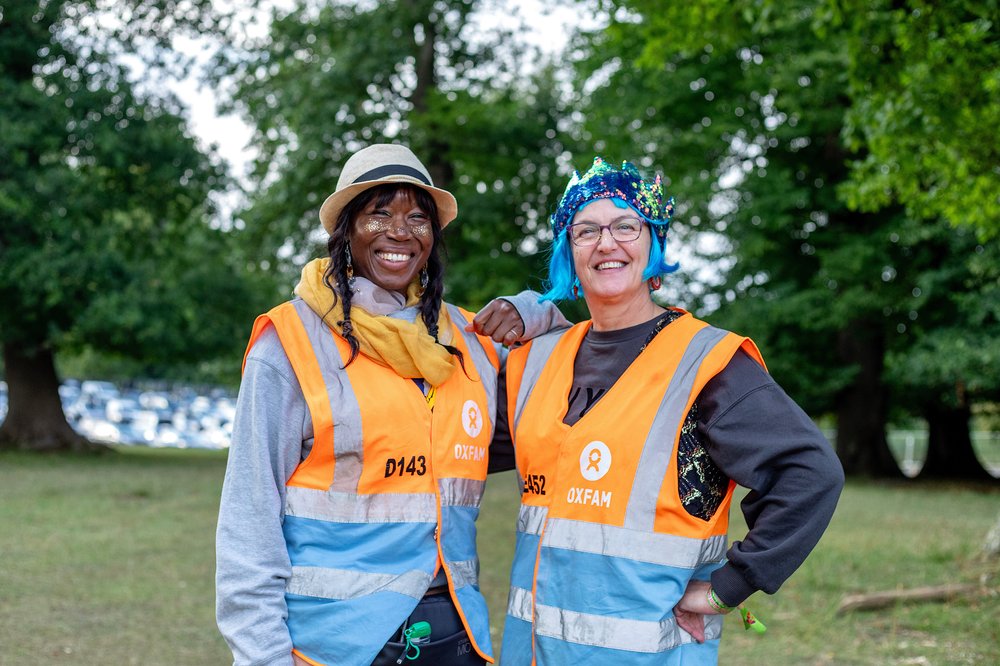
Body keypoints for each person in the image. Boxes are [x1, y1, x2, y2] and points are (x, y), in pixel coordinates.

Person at [216, 143, 567, 666]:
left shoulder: (468, 341)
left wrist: (533, 310)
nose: (400, 231)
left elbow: (568, 370)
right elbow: (248, 522)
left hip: (458, 637)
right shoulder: (290, 343)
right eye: (379, 213)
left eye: (417, 218)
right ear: (346, 231)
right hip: (335, 646)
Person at [497, 157, 845, 665]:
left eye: (626, 226)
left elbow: (811, 473)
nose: (606, 243)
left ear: (653, 243)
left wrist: (731, 585)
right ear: (568, 253)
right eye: (585, 230)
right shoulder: (537, 360)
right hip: (530, 653)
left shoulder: (706, 362)